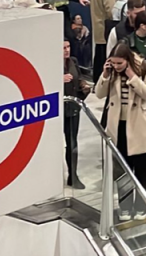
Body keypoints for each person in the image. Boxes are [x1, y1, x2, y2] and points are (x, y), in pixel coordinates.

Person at [95, 42, 146, 220]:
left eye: (119, 64)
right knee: (122, 170)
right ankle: (124, 206)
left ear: (128, 61)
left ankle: (142, 205)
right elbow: (99, 94)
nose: (116, 67)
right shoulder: (112, 72)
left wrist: (132, 76)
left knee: (142, 169)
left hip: (140, 127)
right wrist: (106, 74)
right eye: (113, 63)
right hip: (118, 127)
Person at [62, 38, 90, 189]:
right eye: (63, 48)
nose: (66, 50)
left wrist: (83, 85)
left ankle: (73, 175)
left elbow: (79, 78)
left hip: (73, 107)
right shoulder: (49, 64)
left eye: (68, 46)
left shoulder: (73, 61)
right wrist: (59, 79)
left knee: (72, 143)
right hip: (57, 111)